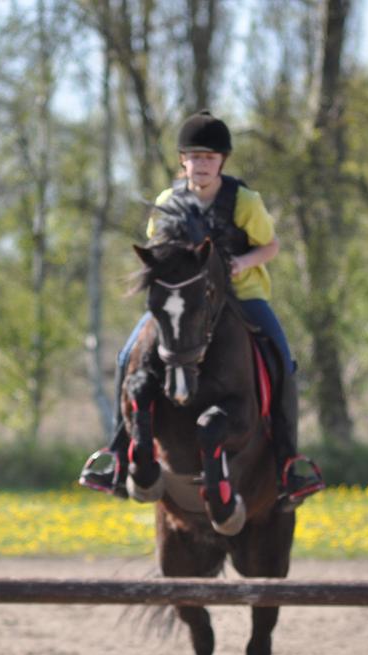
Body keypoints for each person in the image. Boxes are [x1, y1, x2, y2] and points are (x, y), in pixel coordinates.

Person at [79, 110, 323, 507]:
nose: (202, 164)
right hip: (184, 301)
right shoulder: (167, 201)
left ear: (222, 161)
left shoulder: (244, 201)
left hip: (242, 295)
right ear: (182, 161)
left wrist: (243, 262)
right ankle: (117, 455)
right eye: (195, 157)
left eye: (210, 157)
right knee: (128, 355)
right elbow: (158, 254)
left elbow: (272, 246)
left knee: (283, 359)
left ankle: (287, 461)